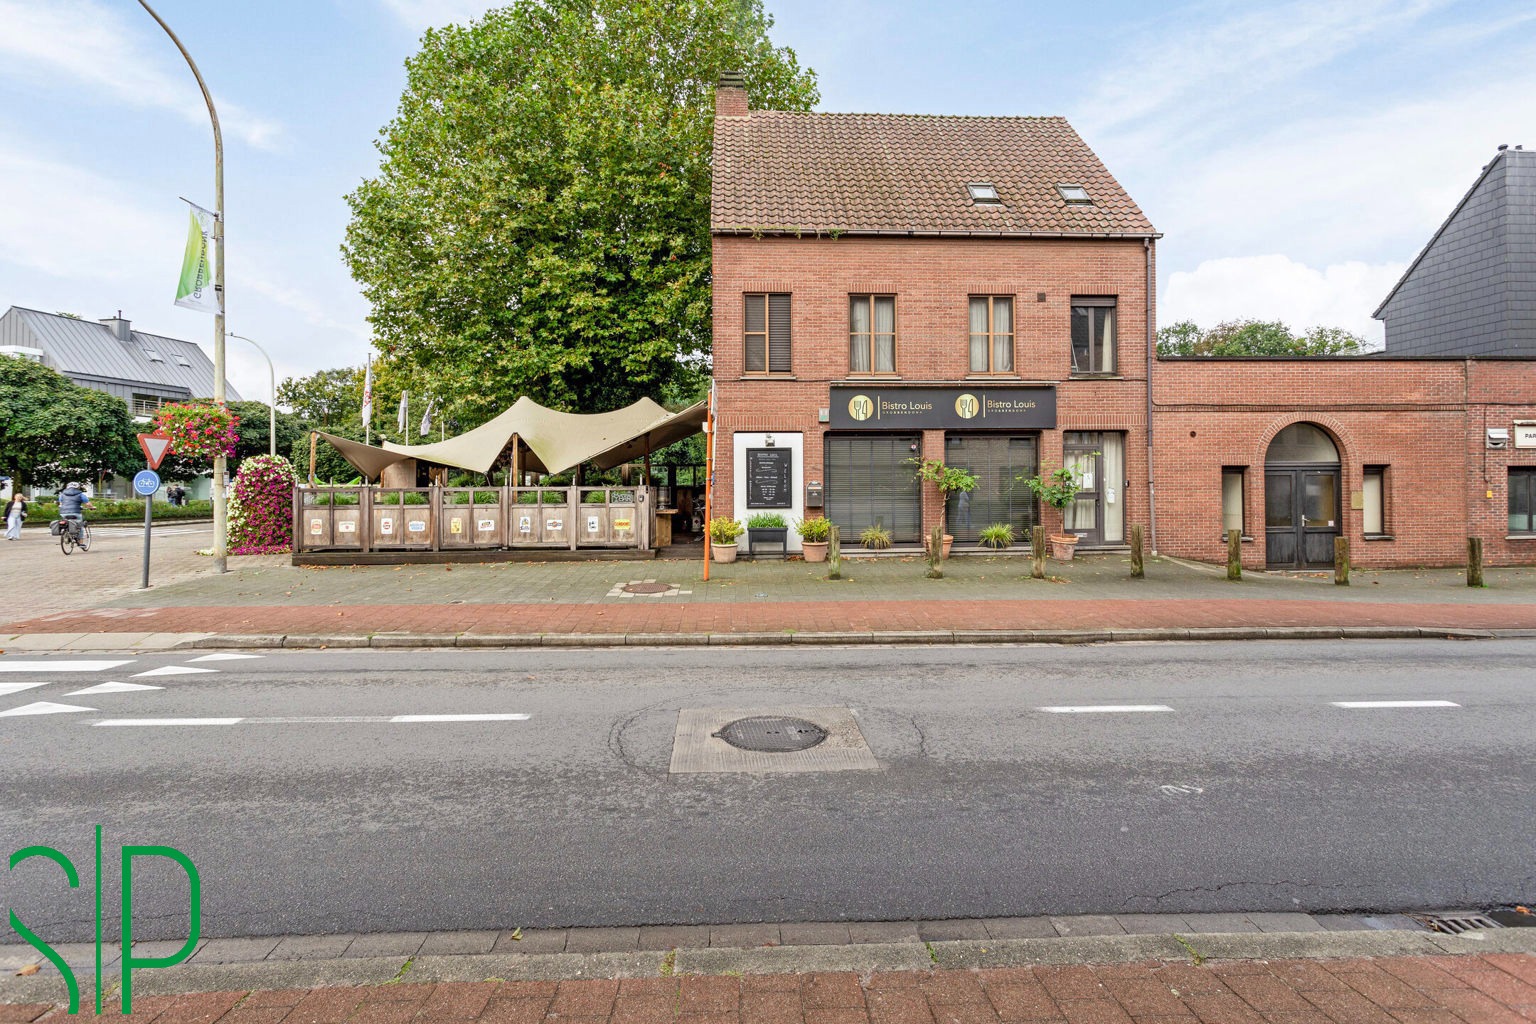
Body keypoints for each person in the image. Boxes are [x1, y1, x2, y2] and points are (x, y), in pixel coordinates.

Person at [57, 482, 92, 547]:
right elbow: (88, 504)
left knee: (66, 522)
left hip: (63, 513)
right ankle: (81, 543)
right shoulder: (81, 494)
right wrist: (92, 507)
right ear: (78, 487)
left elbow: (60, 504)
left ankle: (67, 534)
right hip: (75, 512)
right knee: (80, 526)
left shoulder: (62, 495)